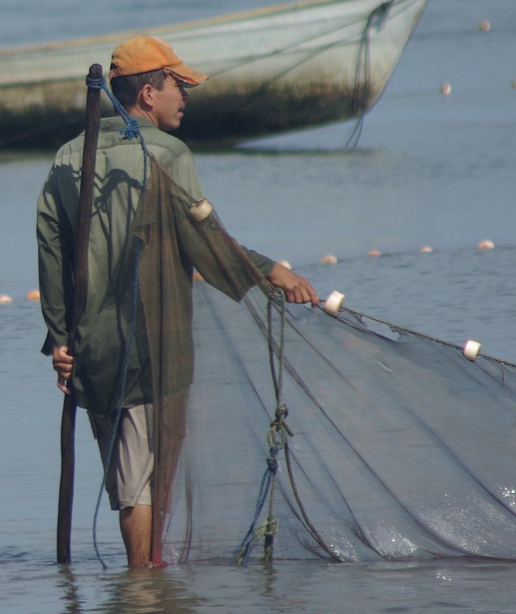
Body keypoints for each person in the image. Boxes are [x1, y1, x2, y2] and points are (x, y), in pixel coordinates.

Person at [36, 36, 317, 569]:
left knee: (127, 478)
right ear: (147, 94)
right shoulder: (167, 155)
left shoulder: (68, 158)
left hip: (92, 349)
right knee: (145, 479)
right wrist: (272, 272)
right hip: (155, 343)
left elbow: (51, 249)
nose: (185, 96)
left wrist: (58, 338)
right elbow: (207, 244)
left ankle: (146, 596)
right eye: (177, 85)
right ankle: (145, 597)